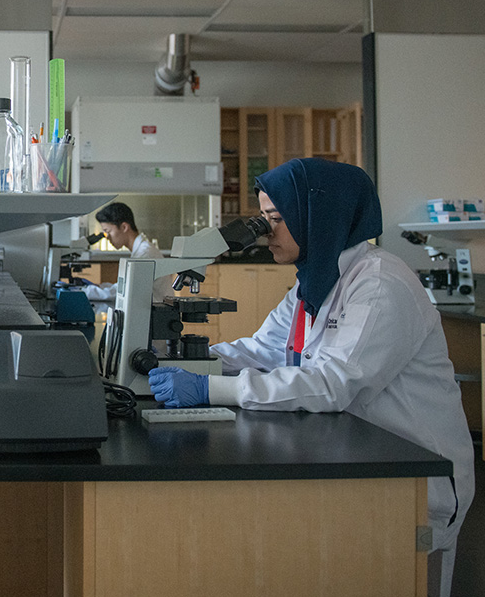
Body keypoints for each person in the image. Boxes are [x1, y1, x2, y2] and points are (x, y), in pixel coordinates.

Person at [146, 158, 474, 597]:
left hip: (412, 478)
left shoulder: (379, 284)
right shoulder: (312, 284)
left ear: (318, 216)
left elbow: (334, 383)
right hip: (350, 457)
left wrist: (209, 387)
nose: (266, 232)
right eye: (264, 219)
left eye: (277, 219)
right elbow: (260, 350)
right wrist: (191, 362)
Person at [79, 202, 171, 303]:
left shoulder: (144, 254)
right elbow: (124, 285)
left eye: (108, 231)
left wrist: (83, 291)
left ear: (124, 227)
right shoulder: (140, 250)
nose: (107, 237)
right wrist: (99, 286)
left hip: (157, 314)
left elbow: (124, 291)